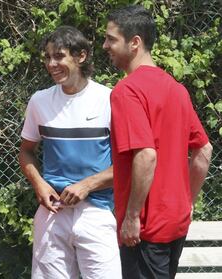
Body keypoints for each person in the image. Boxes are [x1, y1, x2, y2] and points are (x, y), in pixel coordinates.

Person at [103, 5, 213, 279]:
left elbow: (146, 155)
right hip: (175, 222)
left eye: (111, 39)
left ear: (135, 42)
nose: (105, 45)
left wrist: (132, 217)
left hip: (145, 229)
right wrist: (187, 201)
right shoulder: (176, 89)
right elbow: (204, 150)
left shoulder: (126, 91)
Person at [19, 25, 121, 279]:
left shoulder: (110, 99)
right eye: (47, 57)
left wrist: (87, 185)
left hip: (97, 212)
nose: (51, 64)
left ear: (81, 56)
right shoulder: (39, 101)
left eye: (59, 56)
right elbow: (26, 152)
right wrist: (39, 185)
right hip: (52, 213)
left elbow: (128, 163)